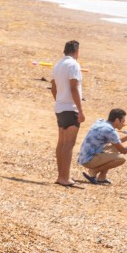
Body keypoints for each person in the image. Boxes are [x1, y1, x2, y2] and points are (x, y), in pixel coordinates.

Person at [76, 108, 127, 185]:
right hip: (88, 160)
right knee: (121, 159)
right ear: (117, 120)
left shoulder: (101, 122)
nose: (124, 124)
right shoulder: (110, 131)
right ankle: (94, 171)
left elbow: (116, 142)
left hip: (84, 156)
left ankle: (102, 177)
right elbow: (124, 150)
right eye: (123, 121)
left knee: (114, 147)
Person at [51, 41, 83, 187]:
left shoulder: (57, 65)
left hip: (59, 106)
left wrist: (59, 101)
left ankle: (60, 175)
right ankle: (65, 177)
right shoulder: (74, 65)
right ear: (76, 51)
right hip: (70, 107)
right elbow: (74, 88)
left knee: (62, 143)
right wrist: (80, 110)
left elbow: (53, 88)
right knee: (69, 144)